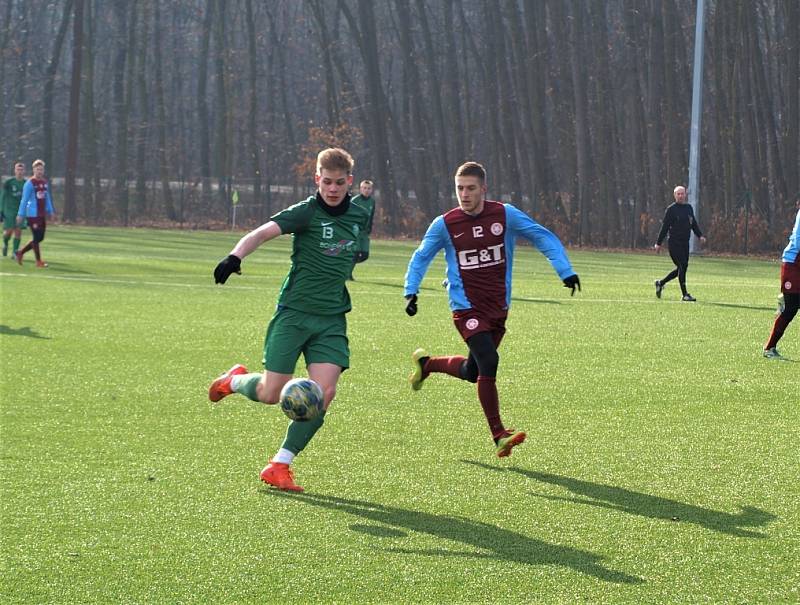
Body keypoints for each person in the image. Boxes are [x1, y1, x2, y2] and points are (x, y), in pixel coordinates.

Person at [208, 148, 369, 492]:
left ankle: (279, 464)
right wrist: (234, 256)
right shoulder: (306, 212)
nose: (333, 188)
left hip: (331, 320)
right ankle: (233, 381)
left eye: (340, 182)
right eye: (327, 182)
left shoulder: (359, 214)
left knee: (324, 393)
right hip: (294, 314)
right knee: (271, 393)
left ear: (349, 182)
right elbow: (262, 232)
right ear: (317, 180)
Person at [403, 161, 580, 458]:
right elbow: (421, 257)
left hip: (498, 308)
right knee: (490, 360)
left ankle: (428, 365)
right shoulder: (445, 224)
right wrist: (411, 290)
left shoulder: (504, 215)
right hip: (465, 307)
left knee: (474, 371)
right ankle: (499, 434)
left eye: (471, 188)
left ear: (484, 188)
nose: (464, 194)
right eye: (459, 188)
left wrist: (565, 270)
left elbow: (542, 236)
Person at [653, 185, 706, 301]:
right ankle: (685, 294)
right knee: (682, 266)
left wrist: (700, 235)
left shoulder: (689, 208)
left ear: (685, 194)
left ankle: (660, 283)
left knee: (682, 268)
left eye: (682, 194)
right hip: (674, 243)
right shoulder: (671, 210)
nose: (681, 196)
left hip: (684, 243)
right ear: (675, 195)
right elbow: (664, 227)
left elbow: (693, 224)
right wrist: (658, 243)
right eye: (678, 194)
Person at [763, 198, 800, 359]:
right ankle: (769, 348)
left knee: (792, 306)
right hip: (793, 264)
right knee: (791, 309)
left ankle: (786, 297)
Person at [16, 159, 55, 268]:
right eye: (37, 169)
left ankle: (20, 253)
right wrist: (20, 214)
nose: (39, 171)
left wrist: (51, 211)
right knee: (37, 237)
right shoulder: (29, 183)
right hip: (32, 214)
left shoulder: (44, 182)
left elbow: (47, 198)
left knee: (40, 237)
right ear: (34, 170)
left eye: (41, 169)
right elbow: (24, 200)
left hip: (41, 214)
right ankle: (38, 261)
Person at [349, 179, 375, 279]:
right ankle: (348, 274)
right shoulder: (355, 200)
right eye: (364, 188)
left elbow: (371, 216)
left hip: (365, 233)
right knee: (355, 254)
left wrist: (370, 228)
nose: (366, 190)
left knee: (365, 255)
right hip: (355, 232)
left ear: (371, 190)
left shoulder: (372, 201)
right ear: (360, 189)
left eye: (368, 188)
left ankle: (347, 265)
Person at [2, 162, 26, 258]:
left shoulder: (26, 184)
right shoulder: (9, 183)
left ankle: (15, 252)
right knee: (9, 231)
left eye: (21, 170)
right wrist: (1, 210)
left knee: (18, 230)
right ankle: (5, 243)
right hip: (9, 210)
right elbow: (3, 196)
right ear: (14, 170)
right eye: (18, 169)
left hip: (20, 211)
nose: (19, 172)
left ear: (24, 171)